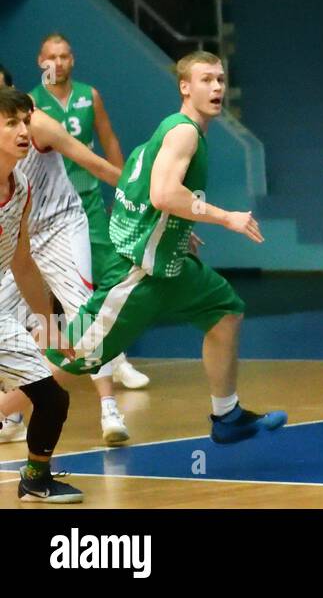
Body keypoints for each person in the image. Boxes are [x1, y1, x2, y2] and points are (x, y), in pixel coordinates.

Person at [45, 52, 286, 445]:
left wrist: (176, 229)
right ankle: (8, 408)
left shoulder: (172, 131)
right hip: (139, 272)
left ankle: (227, 415)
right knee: (71, 357)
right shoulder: (184, 132)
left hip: (171, 264)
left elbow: (135, 188)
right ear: (185, 87)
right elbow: (162, 194)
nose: (217, 88)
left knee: (226, 312)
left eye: (221, 80)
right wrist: (226, 217)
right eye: (206, 80)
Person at [0, 66, 128, 444]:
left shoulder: (39, 129)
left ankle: (109, 408)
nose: (21, 129)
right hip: (19, 236)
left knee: (82, 317)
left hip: (58, 227)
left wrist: (152, 201)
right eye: (12, 123)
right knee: (18, 327)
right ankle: (13, 416)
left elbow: (95, 163)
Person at [30, 34, 149, 390]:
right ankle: (37, 376)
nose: (59, 63)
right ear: (40, 61)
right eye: (52, 57)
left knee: (111, 278)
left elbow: (109, 140)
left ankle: (118, 358)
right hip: (46, 213)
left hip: (89, 202)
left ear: (73, 60)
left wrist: (127, 193)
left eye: (65, 56)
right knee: (51, 294)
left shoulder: (88, 95)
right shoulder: (32, 106)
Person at [0, 86, 83, 503]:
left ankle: (35, 477)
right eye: (10, 122)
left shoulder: (23, 186)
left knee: (52, 398)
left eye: (25, 122)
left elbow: (22, 262)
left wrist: (49, 325)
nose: (22, 131)